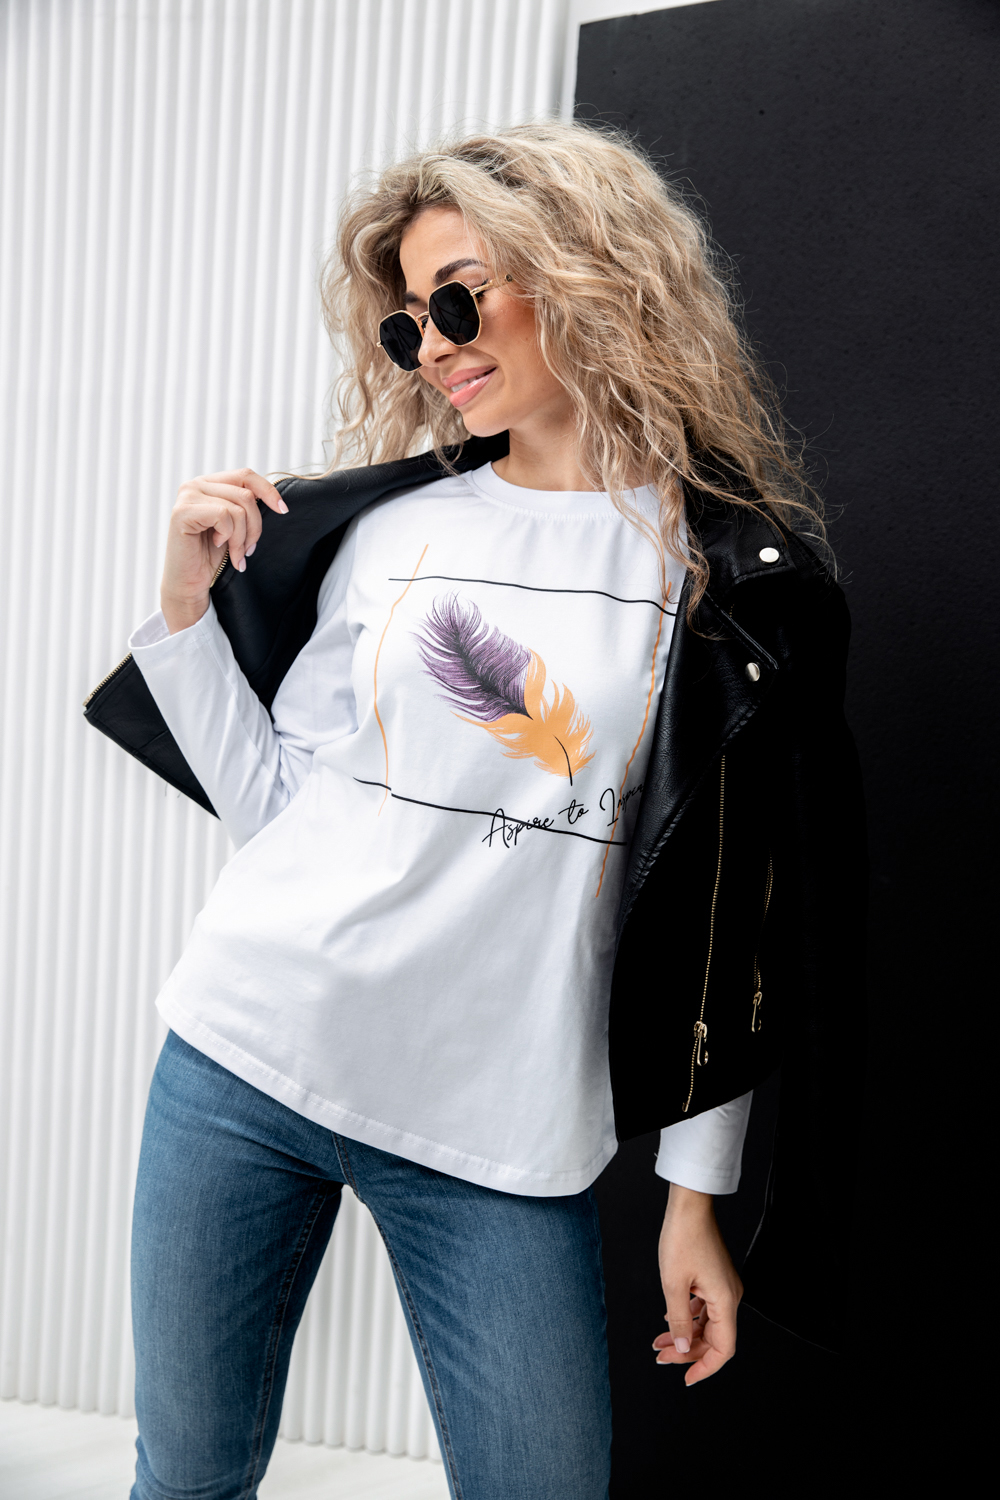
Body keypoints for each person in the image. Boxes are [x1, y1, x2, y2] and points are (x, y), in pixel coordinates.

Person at [102, 121, 864, 1500]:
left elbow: (730, 921)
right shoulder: (393, 532)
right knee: (188, 1478)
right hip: (246, 1056)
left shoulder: (723, 580)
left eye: (459, 299)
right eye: (408, 325)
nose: (434, 347)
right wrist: (181, 613)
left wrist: (695, 1197)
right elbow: (278, 808)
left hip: (497, 1130)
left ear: (588, 273)